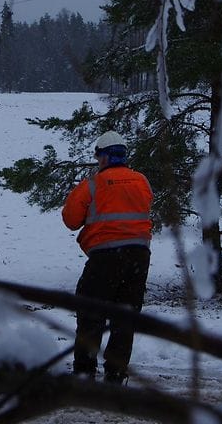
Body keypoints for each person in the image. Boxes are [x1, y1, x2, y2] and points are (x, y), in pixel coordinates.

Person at [62, 130, 153, 384]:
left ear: (102, 157)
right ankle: (116, 374)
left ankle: (84, 372)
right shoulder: (142, 181)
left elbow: (70, 220)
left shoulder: (92, 184)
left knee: (91, 313)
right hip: (139, 256)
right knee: (125, 316)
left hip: (104, 256)